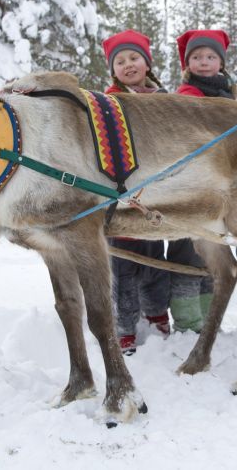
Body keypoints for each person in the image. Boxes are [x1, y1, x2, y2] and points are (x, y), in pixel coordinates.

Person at [163, 29, 237, 331]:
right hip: (190, 182)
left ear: (220, 62)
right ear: (188, 63)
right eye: (197, 57)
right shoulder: (188, 95)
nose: (204, 62)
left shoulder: (228, 93)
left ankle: (209, 315)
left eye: (210, 57)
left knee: (214, 250)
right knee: (186, 250)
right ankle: (186, 317)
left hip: (219, 183)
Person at [102, 29, 172, 354]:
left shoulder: (163, 99)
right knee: (122, 268)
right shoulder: (107, 102)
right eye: (120, 61)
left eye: (134, 58)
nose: (128, 64)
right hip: (121, 194)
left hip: (156, 192)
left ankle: (157, 314)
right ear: (113, 69)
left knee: (154, 260)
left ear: (147, 63)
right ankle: (125, 327)